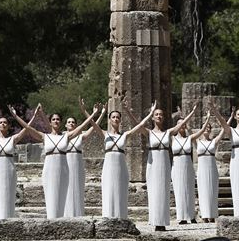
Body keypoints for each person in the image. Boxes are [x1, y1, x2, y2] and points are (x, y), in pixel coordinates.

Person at [9, 103, 102, 219]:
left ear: (61, 122)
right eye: (53, 119)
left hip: (64, 170)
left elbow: (82, 127)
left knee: (63, 196)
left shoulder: (66, 137)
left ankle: (63, 221)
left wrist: (94, 114)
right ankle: (51, 221)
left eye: (58, 119)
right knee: (51, 197)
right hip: (49, 169)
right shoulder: (44, 136)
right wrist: (15, 116)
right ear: (50, 122)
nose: (56, 121)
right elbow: (28, 128)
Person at [125, 102, 197, 231]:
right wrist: (127, 110)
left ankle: (162, 222)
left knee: (163, 191)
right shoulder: (149, 133)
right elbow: (137, 123)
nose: (159, 116)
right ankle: (155, 220)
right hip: (153, 163)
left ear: (163, 118)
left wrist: (192, 112)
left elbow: (181, 124)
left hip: (164, 162)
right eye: (156, 114)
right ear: (152, 118)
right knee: (154, 191)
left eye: (161, 115)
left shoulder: (168, 132)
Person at [83, 99, 157, 219]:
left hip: (121, 166)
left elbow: (140, 125)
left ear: (120, 120)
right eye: (113, 117)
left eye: (118, 117)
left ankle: (121, 217)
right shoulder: (105, 134)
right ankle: (108, 217)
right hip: (108, 166)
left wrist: (150, 113)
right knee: (108, 190)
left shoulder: (125, 135)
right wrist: (95, 112)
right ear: (110, 119)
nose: (116, 119)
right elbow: (92, 123)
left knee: (120, 191)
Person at [64, 100, 105, 217]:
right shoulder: (62, 136)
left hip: (77, 165)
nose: (71, 123)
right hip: (65, 164)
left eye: (73, 122)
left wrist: (100, 114)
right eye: (69, 122)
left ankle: (77, 214)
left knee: (77, 189)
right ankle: (65, 214)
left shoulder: (81, 136)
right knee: (65, 189)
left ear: (76, 125)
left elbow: (94, 127)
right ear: (65, 125)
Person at [171, 113, 210, 224]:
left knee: (190, 190)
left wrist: (207, 119)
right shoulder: (171, 138)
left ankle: (191, 216)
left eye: (184, 124)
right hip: (176, 164)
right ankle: (182, 217)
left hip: (188, 164)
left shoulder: (190, 138)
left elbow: (202, 131)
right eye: (179, 124)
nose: (182, 126)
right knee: (179, 191)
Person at [197, 104, 233, 223]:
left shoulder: (213, 142)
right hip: (202, 168)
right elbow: (186, 129)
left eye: (209, 127)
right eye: (205, 127)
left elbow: (224, 130)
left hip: (212, 167)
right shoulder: (196, 142)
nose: (207, 129)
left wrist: (231, 117)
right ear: (202, 129)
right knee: (203, 191)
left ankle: (212, 214)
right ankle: (204, 215)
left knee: (212, 191)